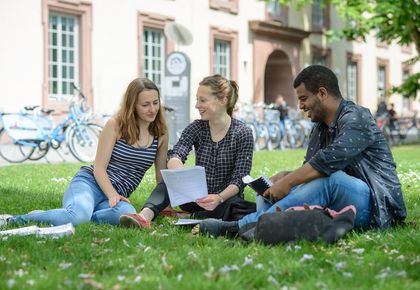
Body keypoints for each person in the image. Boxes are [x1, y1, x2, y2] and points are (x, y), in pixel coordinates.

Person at [199, 65, 407, 237]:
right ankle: (261, 229)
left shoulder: (356, 117)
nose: (300, 106)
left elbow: (327, 163)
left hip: (376, 208)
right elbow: (311, 171)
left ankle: (240, 227)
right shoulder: (320, 128)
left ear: (323, 93)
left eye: (303, 98)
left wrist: (289, 182)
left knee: (330, 179)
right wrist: (286, 178)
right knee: (272, 189)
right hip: (340, 203)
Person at [0, 78, 168, 227]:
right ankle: (13, 220)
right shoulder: (115, 125)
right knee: (78, 216)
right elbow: (99, 168)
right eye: (145, 105)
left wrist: (164, 205)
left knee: (127, 216)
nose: (152, 109)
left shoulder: (160, 133)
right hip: (90, 184)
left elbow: (161, 178)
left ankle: (63, 216)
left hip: (118, 196)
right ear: (133, 106)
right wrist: (112, 195)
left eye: (155, 102)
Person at [119, 74, 254, 228]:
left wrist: (219, 197)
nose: (197, 105)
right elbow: (176, 153)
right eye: (197, 100)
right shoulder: (197, 127)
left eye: (202, 100)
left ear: (222, 100)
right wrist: (179, 171)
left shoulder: (242, 132)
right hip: (195, 198)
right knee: (168, 183)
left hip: (224, 200)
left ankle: (193, 217)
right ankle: (144, 217)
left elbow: (240, 178)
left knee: (234, 206)